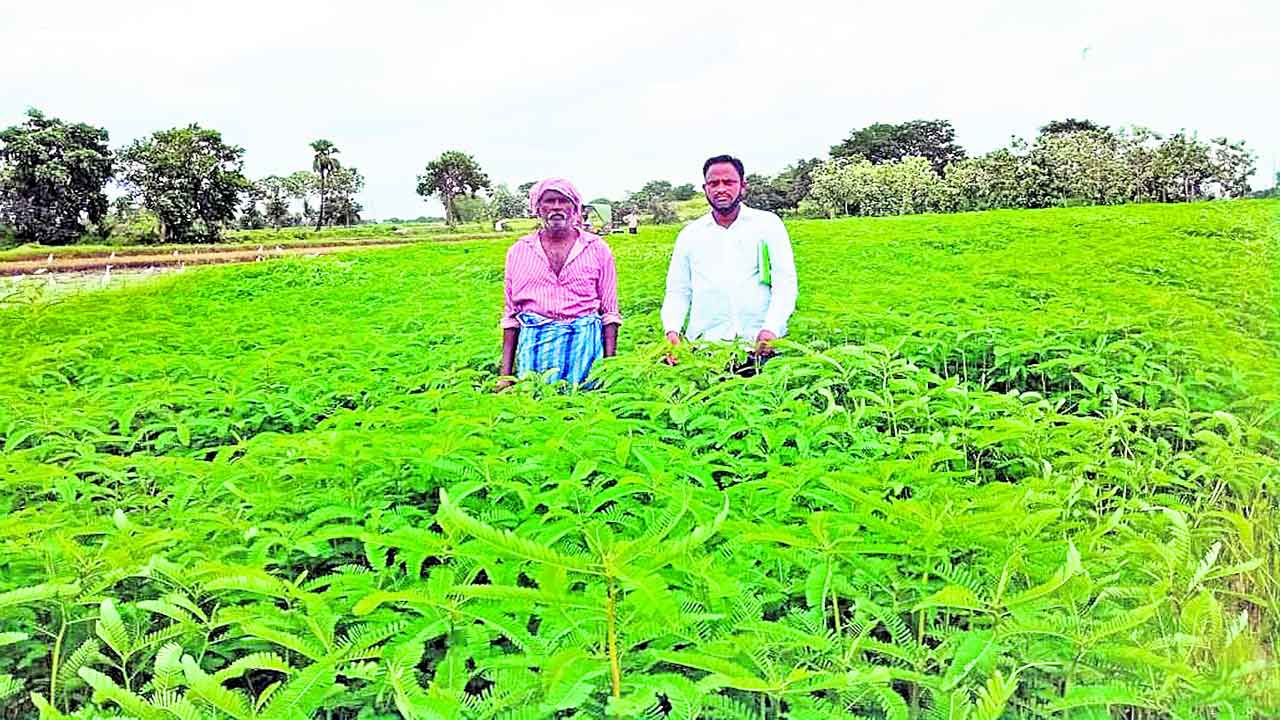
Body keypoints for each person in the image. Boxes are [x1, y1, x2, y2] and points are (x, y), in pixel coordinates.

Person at [660, 154, 797, 368]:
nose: (720, 189)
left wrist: (772, 327)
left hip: (759, 346)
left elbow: (785, 282)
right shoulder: (690, 234)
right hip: (706, 349)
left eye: (729, 182)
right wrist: (672, 330)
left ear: (743, 186)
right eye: (713, 183)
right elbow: (678, 291)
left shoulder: (768, 225)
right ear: (705, 188)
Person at [497, 178, 622, 390]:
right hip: (535, 348)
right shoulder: (519, 251)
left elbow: (610, 314)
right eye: (549, 201)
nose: (556, 207)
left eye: (563, 201)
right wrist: (505, 376)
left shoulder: (597, 248)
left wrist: (609, 369)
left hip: (584, 348)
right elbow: (511, 317)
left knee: (584, 411)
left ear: (574, 207)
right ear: (537, 208)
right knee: (536, 411)